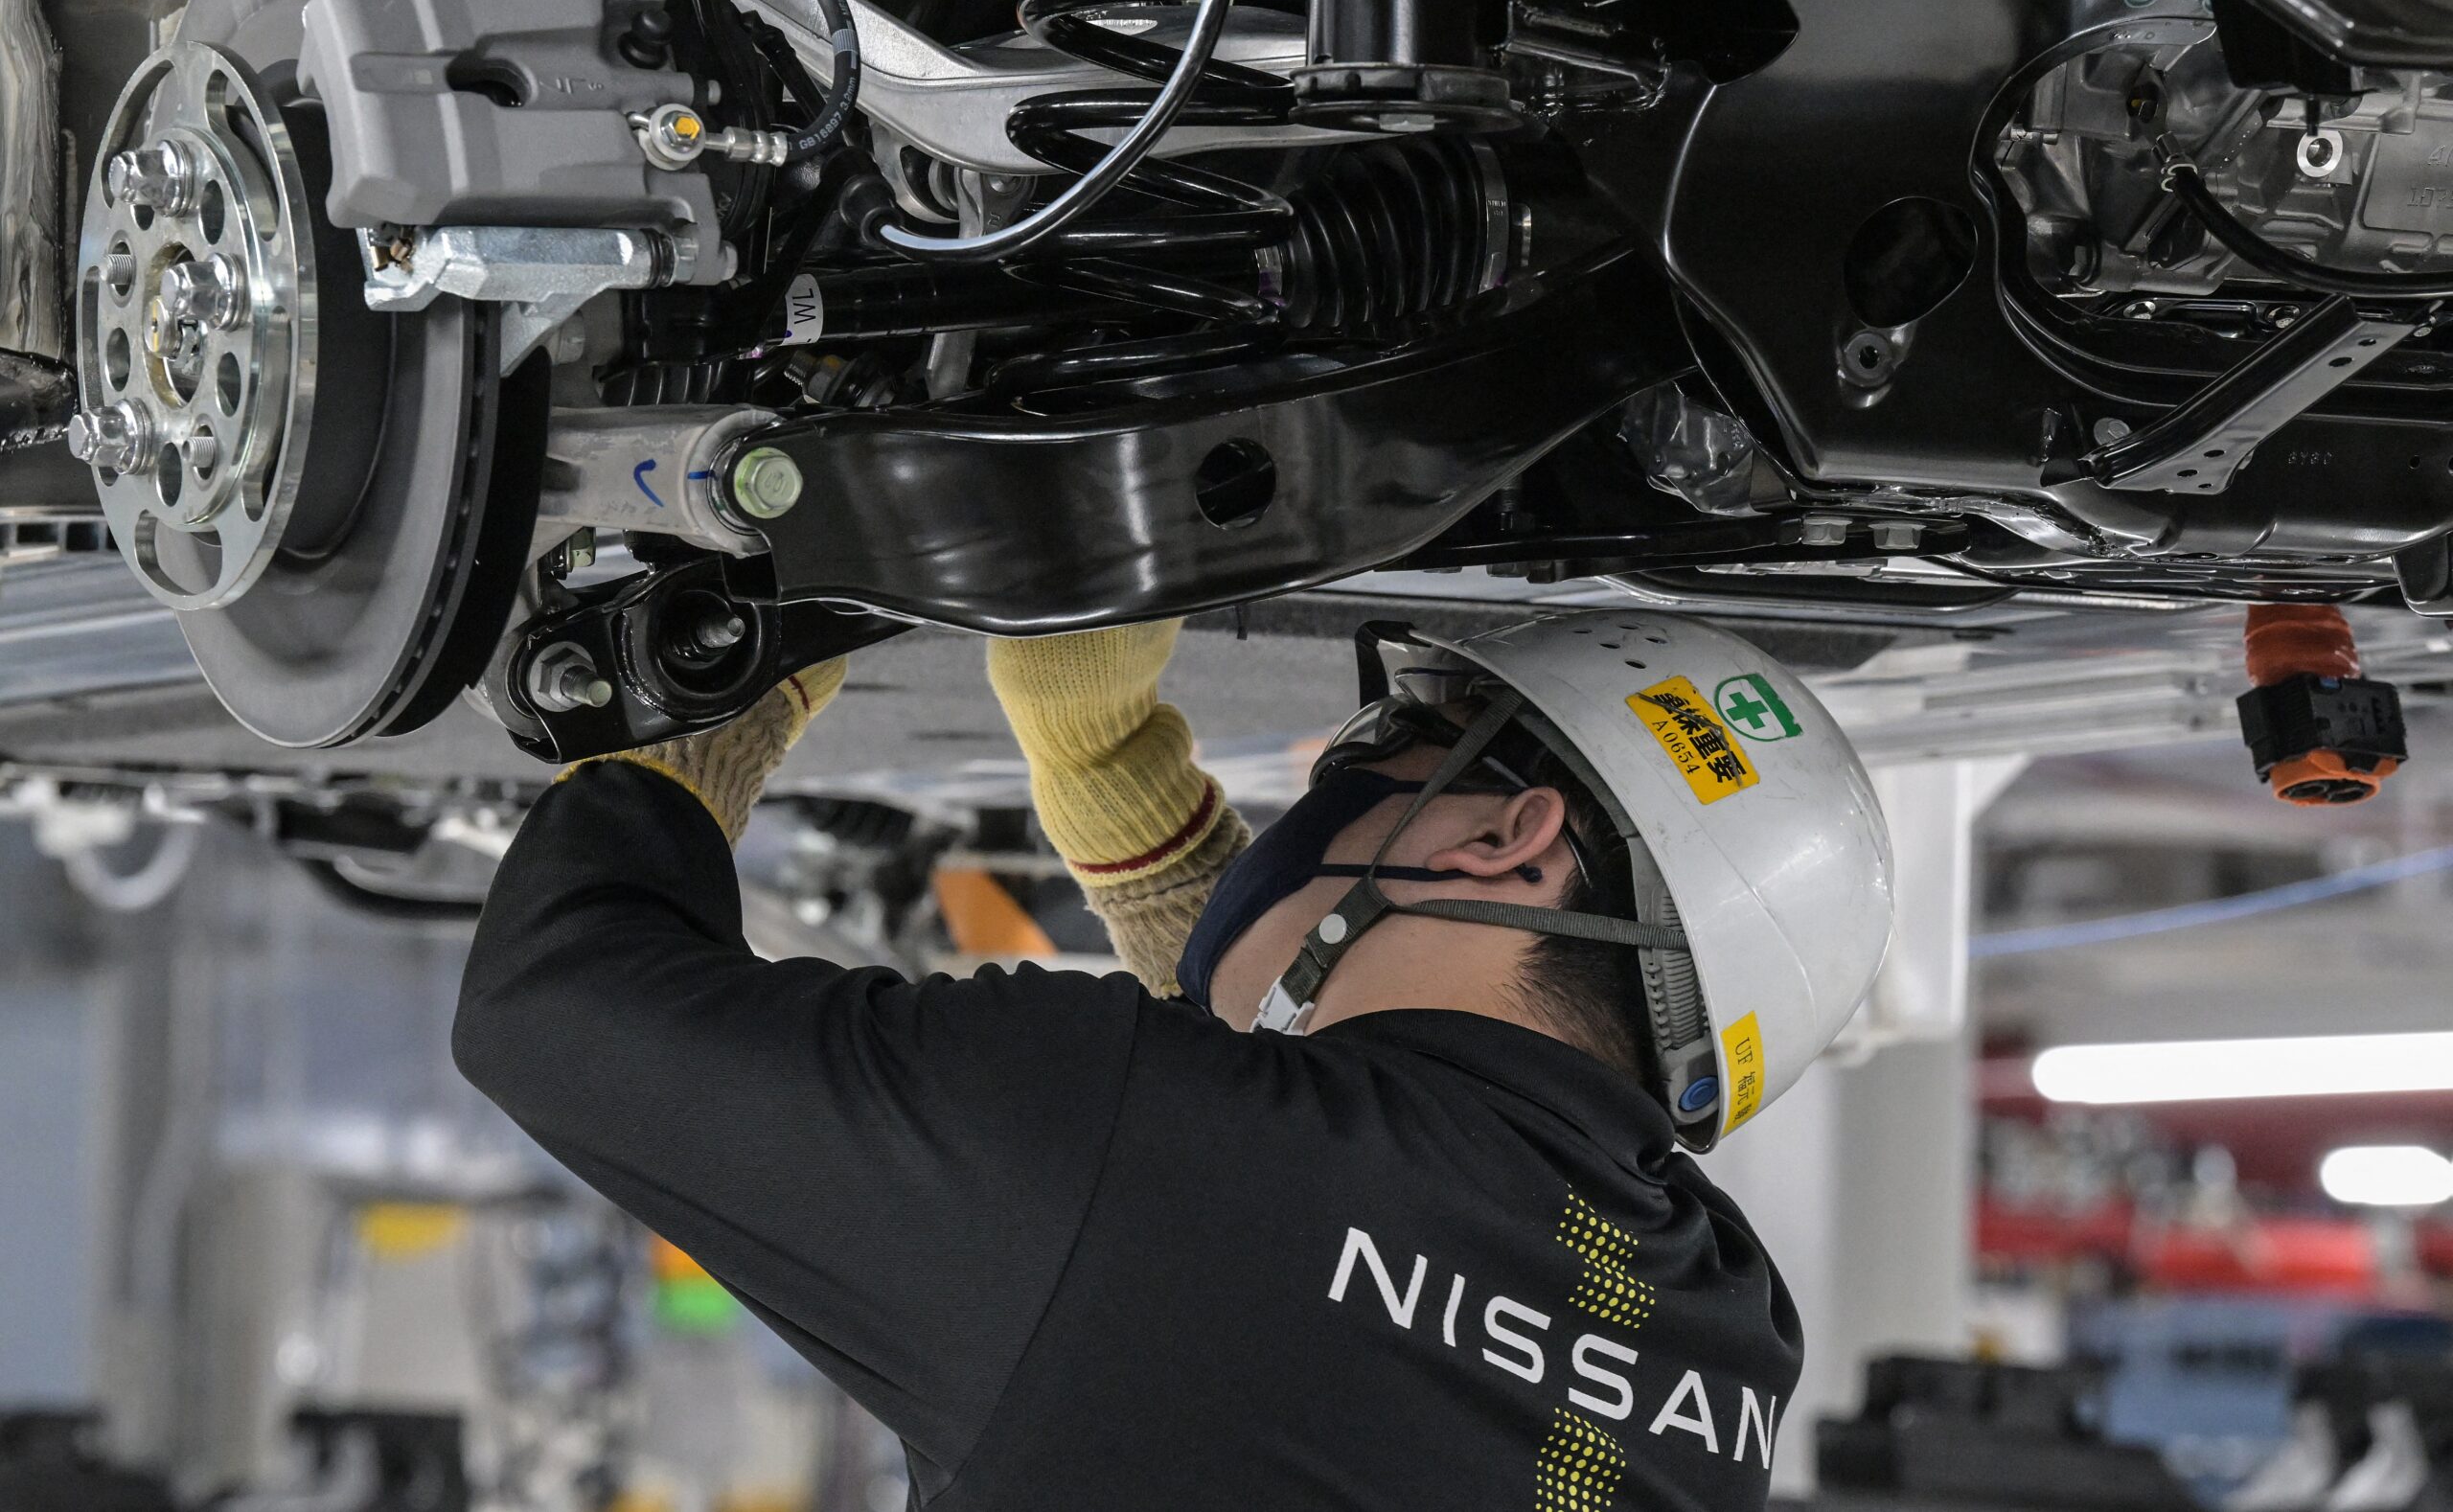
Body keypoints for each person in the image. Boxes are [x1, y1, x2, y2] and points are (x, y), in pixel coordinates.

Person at [455, 610, 1893, 1512]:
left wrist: (729, 693)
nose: (1338, 770)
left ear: (1506, 840)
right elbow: (1287, 1198)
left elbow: (562, 995)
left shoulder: (1740, 1328)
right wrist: (1119, 788)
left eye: (1397, 744)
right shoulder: (1718, 1336)